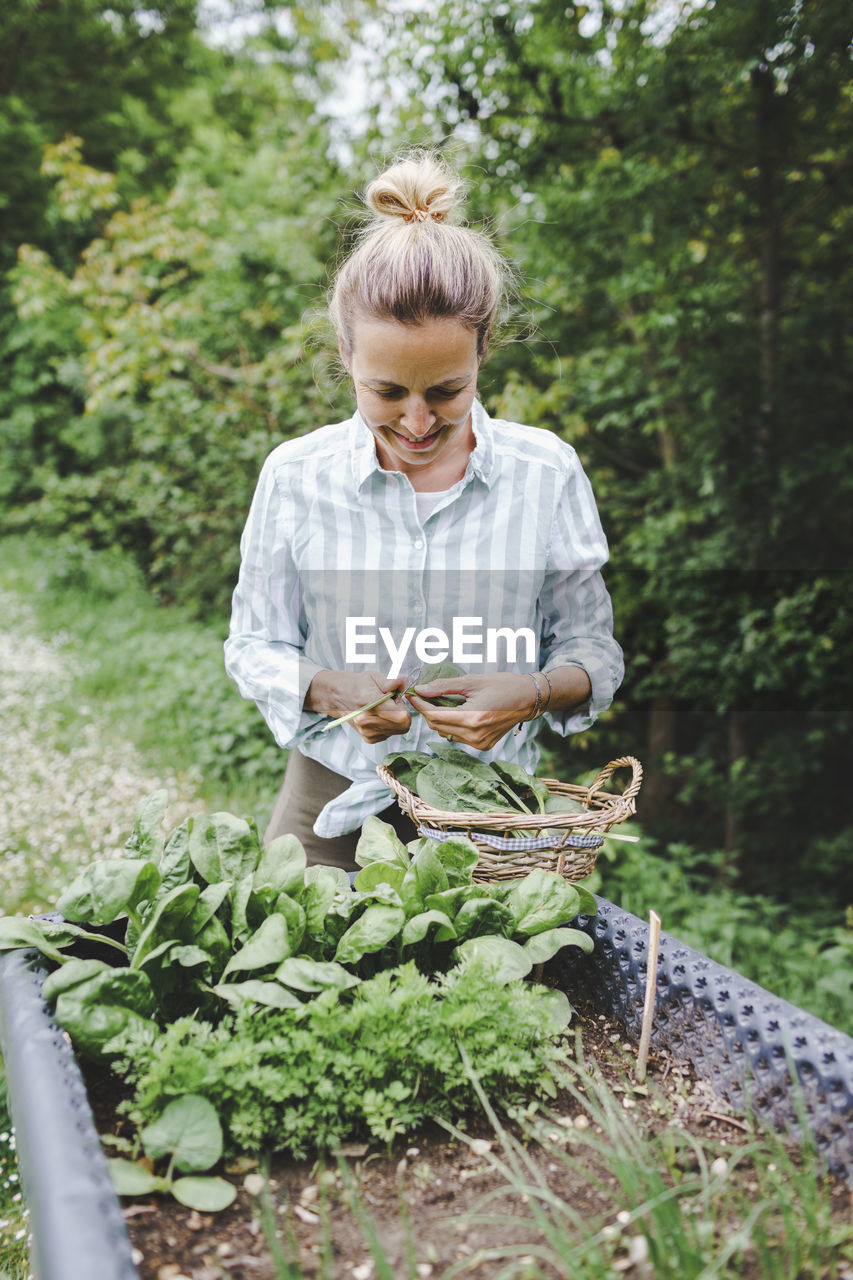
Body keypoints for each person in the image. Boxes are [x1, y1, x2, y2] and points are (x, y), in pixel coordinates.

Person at [224, 151, 624, 871]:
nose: (415, 422)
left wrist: (530, 693)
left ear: (483, 353)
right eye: (385, 392)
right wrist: (322, 687)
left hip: (492, 815)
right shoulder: (294, 476)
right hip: (330, 801)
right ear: (345, 355)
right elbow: (252, 643)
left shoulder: (546, 472)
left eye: (445, 392)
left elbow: (592, 652)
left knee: (494, 984)